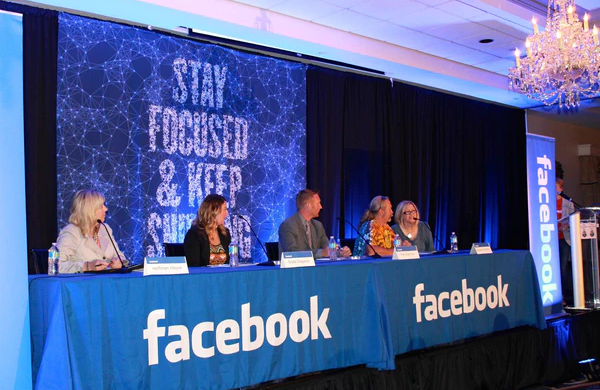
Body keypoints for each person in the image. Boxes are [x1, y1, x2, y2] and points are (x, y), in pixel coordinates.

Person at [56, 190, 127, 273]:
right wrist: (86, 266)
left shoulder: (105, 228)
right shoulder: (71, 232)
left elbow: (119, 256)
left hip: (108, 282)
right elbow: (57, 265)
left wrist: (118, 262)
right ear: (89, 210)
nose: (106, 209)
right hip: (83, 284)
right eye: (101, 206)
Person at [278, 189, 351, 258]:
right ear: (308, 205)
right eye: (318, 203)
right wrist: (321, 253)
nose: (321, 207)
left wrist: (339, 253)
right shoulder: (287, 226)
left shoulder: (318, 226)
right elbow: (292, 253)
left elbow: (327, 247)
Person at [184, 194, 232, 267]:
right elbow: (193, 265)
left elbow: (229, 263)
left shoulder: (225, 233)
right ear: (214, 212)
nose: (227, 213)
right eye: (225, 209)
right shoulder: (194, 234)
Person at [556, 162, 575, 306]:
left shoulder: (568, 203)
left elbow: (573, 218)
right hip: (551, 239)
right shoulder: (547, 201)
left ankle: (563, 296)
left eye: (558, 186)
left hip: (564, 239)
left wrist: (566, 225)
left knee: (562, 268)